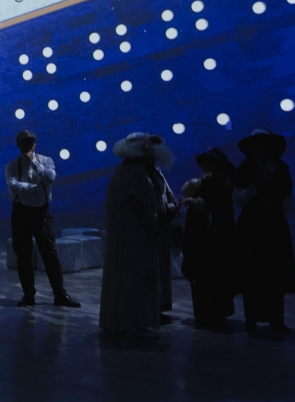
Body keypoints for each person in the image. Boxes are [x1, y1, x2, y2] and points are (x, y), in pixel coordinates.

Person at [99, 133, 169, 339]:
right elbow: (138, 204)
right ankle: (133, 321)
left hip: (125, 229)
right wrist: (151, 229)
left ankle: (122, 320)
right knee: (135, 274)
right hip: (134, 231)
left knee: (124, 272)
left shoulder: (122, 171)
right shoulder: (137, 173)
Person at [233, 129, 295, 336]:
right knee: (251, 273)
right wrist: (254, 186)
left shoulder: (280, 168)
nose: (257, 148)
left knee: (275, 274)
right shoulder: (245, 168)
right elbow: (239, 199)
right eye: (255, 145)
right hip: (251, 226)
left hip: (273, 226)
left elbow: (288, 200)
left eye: (261, 144)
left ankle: (276, 320)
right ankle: (251, 320)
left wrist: (277, 205)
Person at [5, 130, 80, 308]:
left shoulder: (46, 160)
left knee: (50, 254)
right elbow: (14, 186)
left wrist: (35, 163)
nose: (27, 145)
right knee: (23, 256)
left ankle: (60, 294)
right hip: (21, 212)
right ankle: (28, 295)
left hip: (42, 212)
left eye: (30, 141)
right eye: (23, 142)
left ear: (35, 143)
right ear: (18, 145)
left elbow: (50, 178)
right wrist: (33, 187)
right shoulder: (12, 165)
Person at [180, 147, 237, 331]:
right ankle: (206, 312)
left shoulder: (218, 182)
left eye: (206, 163)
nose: (203, 166)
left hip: (212, 235)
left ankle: (213, 312)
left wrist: (196, 203)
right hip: (202, 233)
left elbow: (218, 206)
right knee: (203, 272)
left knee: (212, 272)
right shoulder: (208, 181)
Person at [151, 136, 179, 321]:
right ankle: (153, 307)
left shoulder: (156, 171)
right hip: (153, 226)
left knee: (160, 267)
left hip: (160, 225)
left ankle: (158, 305)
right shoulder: (148, 172)